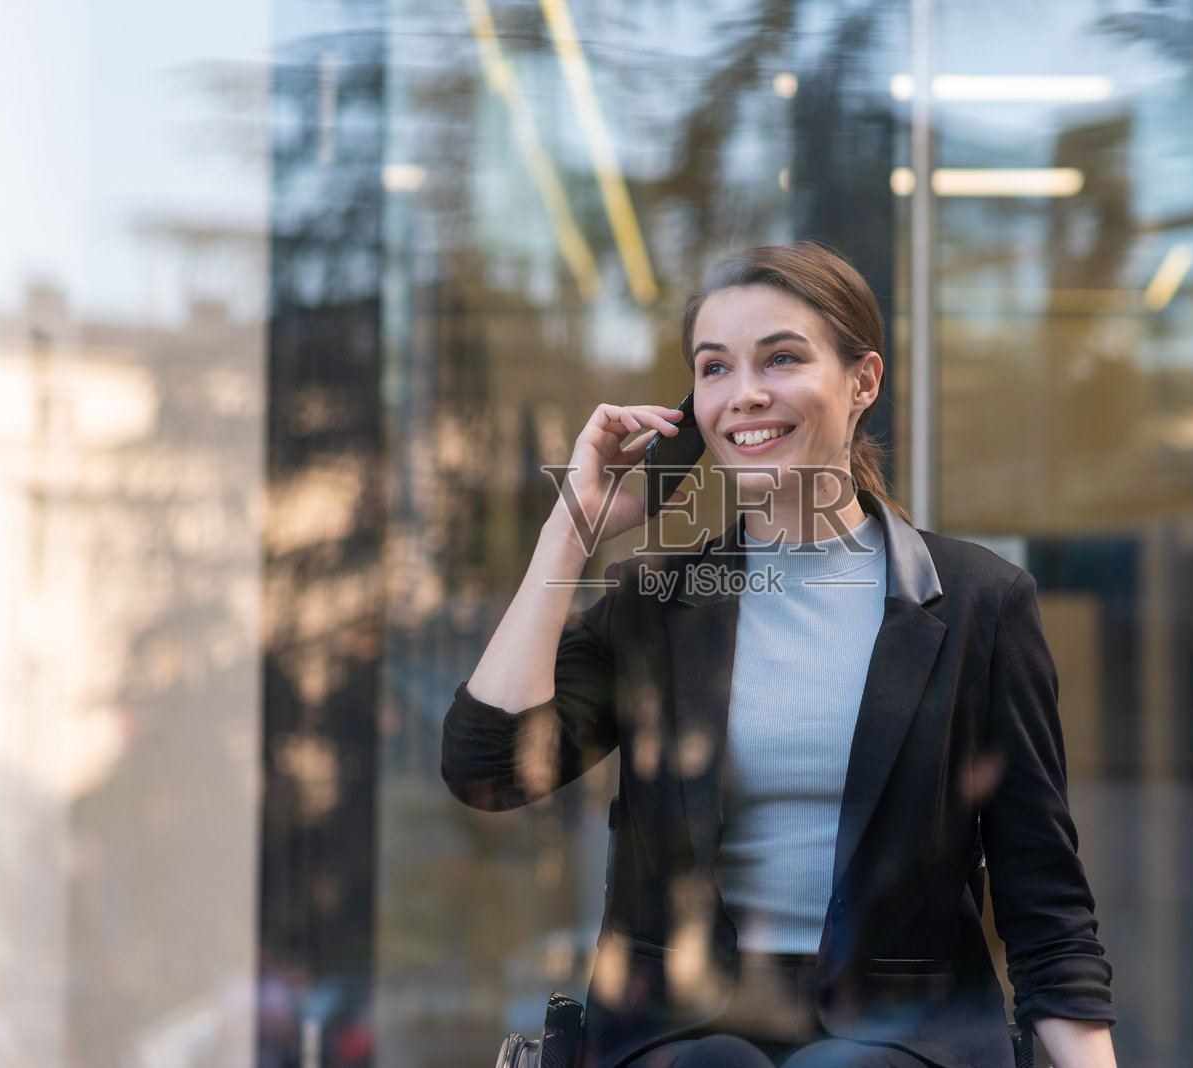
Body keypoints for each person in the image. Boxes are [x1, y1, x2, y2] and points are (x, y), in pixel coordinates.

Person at [442, 242, 1117, 1068]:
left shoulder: (982, 602)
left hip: (904, 1038)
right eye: (714, 368)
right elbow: (489, 768)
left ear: (862, 382)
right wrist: (571, 527)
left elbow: (1044, 902)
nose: (745, 395)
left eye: (783, 358)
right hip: (683, 1035)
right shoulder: (658, 608)